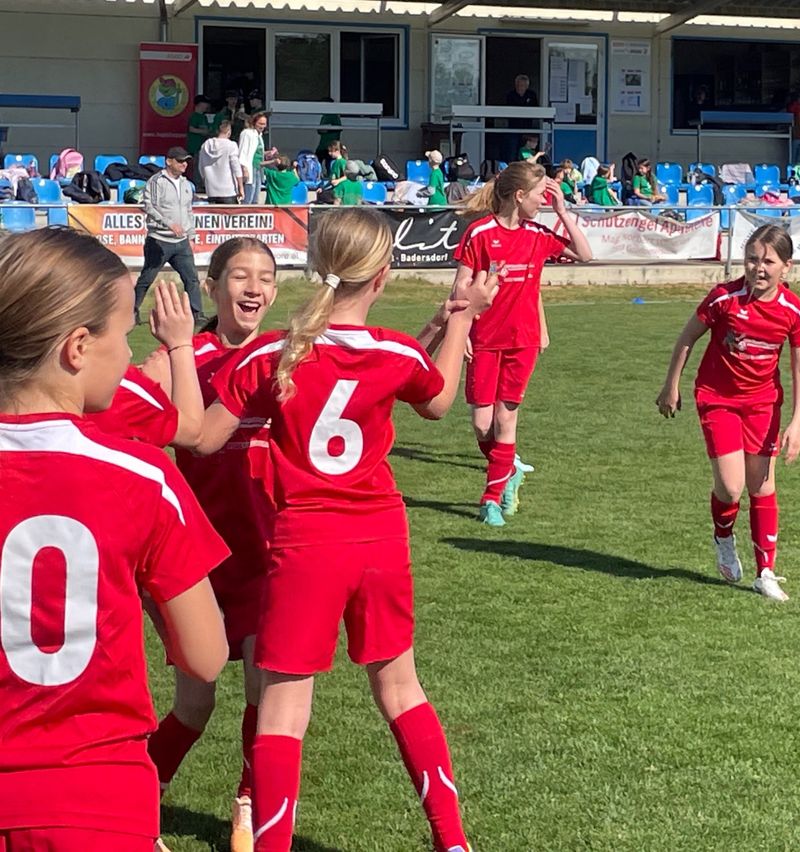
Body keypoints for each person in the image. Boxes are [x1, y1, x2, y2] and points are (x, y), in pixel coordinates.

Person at [190, 208, 497, 852]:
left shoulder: (276, 351)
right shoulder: (396, 350)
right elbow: (438, 401)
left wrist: (170, 352)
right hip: (380, 537)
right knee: (402, 689)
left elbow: (202, 436)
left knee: (282, 711)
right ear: (383, 276)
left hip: (305, 542)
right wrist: (461, 315)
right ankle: (453, 842)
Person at [0, 227, 228, 850]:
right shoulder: (142, 477)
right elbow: (205, 656)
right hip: (94, 799)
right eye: (123, 334)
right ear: (77, 347)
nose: (130, 356)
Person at [145, 238, 279, 852]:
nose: (255, 287)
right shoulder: (180, 358)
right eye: (241, 276)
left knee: (263, 692)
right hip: (192, 558)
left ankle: (248, 806)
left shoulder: (290, 357)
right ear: (212, 286)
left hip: (266, 553)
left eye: (267, 277)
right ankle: (137, 801)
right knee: (195, 704)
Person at [655, 224, 800, 601]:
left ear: (786, 267)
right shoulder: (723, 299)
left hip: (762, 403)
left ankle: (766, 572)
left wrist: (797, 422)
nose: (759, 268)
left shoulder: (793, 310)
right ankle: (724, 536)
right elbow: (687, 337)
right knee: (730, 486)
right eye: (752, 259)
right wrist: (670, 385)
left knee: (762, 485)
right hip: (717, 398)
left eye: (768, 262)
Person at [454, 160, 593, 526]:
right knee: (482, 425)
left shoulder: (537, 234)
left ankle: (491, 499)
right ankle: (509, 470)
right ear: (519, 196)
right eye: (539, 197)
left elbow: (585, 254)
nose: (543, 203)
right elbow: (461, 285)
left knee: (505, 419)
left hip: (522, 341)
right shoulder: (480, 233)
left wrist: (563, 212)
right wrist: (462, 329)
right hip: (484, 339)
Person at [134, 146, 206, 327]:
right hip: (159, 240)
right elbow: (149, 206)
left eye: (186, 161)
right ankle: (131, 311)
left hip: (181, 242)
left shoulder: (185, 183)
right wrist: (168, 223)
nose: (184, 164)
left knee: (192, 278)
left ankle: (196, 313)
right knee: (147, 279)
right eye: (180, 161)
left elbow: (188, 210)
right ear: (169, 161)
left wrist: (191, 234)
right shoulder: (156, 181)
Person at [199, 119, 244, 204]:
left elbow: (201, 167)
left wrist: (205, 180)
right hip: (229, 190)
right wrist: (241, 187)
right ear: (229, 131)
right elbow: (236, 168)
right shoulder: (231, 145)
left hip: (211, 190)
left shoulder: (205, 145)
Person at [238, 112, 276, 206]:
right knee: (249, 196)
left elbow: (256, 152)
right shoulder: (247, 133)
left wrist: (269, 153)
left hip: (259, 168)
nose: (263, 126)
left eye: (264, 124)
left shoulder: (259, 135)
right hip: (250, 167)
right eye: (260, 124)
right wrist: (244, 168)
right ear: (254, 123)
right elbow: (242, 151)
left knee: (255, 197)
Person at [504, 74, 539, 164]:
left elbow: (535, 109)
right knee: (512, 152)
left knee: (526, 153)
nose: (521, 87)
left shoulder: (531, 95)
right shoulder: (511, 95)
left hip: (527, 129)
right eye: (519, 85)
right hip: (513, 128)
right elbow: (508, 110)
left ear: (527, 86)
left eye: (523, 85)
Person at [186, 94, 214, 184]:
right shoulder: (194, 116)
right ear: (199, 104)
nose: (206, 106)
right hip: (194, 146)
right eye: (205, 103)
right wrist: (203, 132)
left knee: (202, 166)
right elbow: (191, 128)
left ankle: (201, 183)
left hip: (203, 146)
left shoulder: (204, 117)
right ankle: (196, 184)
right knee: (196, 167)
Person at [315, 97, 342, 176]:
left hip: (330, 144)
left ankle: (330, 176)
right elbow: (320, 130)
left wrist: (326, 129)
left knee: (329, 163)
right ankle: (317, 175)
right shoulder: (324, 116)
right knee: (317, 160)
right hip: (322, 145)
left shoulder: (333, 116)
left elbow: (338, 129)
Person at [787, 90, 800, 165]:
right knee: (799, 162)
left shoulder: (791, 107)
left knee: (792, 161)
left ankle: (792, 176)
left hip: (795, 135)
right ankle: (798, 176)